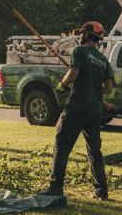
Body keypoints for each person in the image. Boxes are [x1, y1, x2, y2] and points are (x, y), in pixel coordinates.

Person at [44, 20, 114, 201]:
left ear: (85, 35)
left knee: (62, 143)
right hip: (95, 111)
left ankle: (55, 188)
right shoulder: (103, 59)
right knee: (94, 151)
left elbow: (73, 74)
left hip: (77, 107)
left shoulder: (79, 51)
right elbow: (108, 89)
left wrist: (62, 84)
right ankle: (101, 191)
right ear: (97, 39)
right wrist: (93, 84)